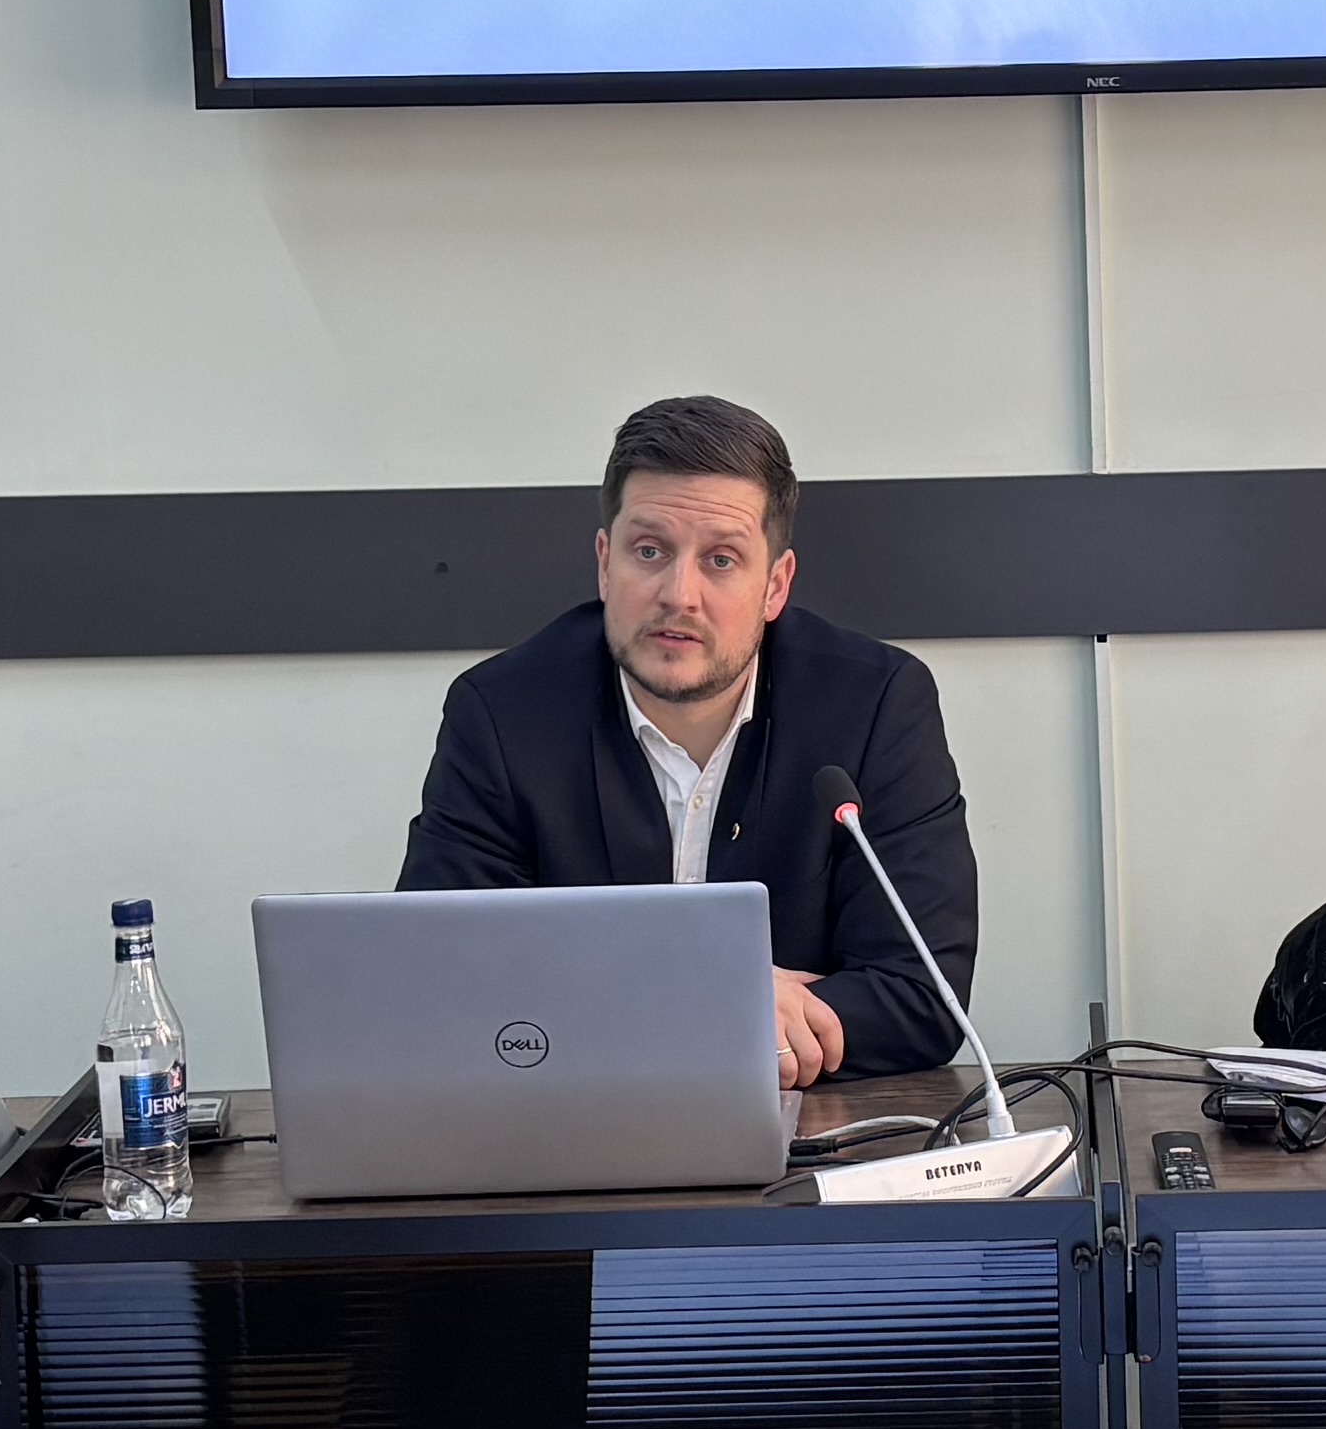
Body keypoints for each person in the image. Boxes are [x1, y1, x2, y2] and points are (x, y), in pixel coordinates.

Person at [400, 395, 978, 1089]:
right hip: (574, 1127)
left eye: (721, 560)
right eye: (650, 552)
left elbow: (923, 998)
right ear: (605, 563)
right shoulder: (502, 714)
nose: (679, 594)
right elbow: (444, 977)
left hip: (810, 1135)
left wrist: (593, 1002)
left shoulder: (874, 706)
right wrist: (728, 1000)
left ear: (775, 586)